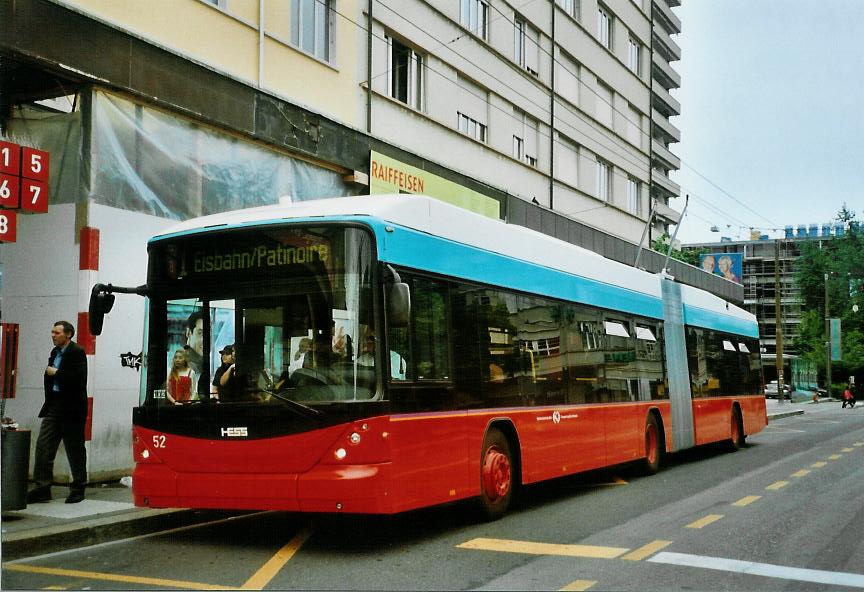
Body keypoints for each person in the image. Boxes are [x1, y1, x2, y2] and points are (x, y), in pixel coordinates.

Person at [28, 321, 88, 504]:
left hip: (72, 408)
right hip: (54, 405)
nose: (53, 335)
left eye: (57, 333)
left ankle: (78, 488)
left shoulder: (77, 352)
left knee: (74, 449)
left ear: (68, 334)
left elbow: (79, 379)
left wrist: (56, 373)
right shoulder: (55, 352)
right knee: (44, 446)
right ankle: (42, 487)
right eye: (52, 332)